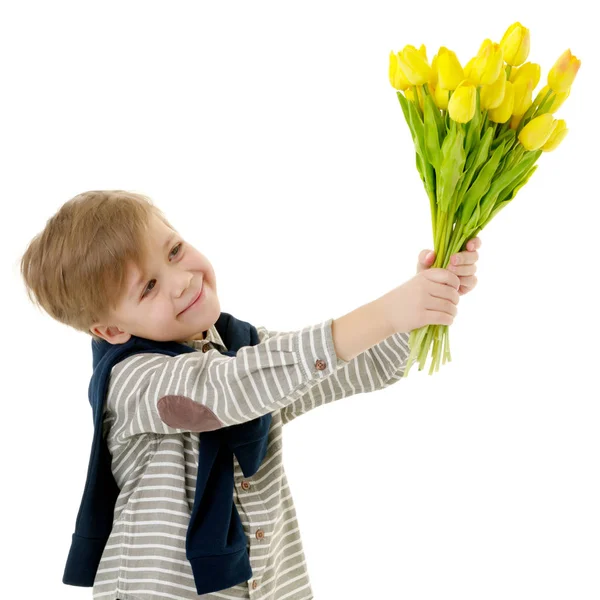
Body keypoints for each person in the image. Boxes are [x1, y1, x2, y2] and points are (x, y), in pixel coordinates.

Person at [19, 189, 481, 600]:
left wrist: (425, 306)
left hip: (271, 583)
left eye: (175, 250)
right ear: (112, 329)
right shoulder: (133, 380)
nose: (181, 280)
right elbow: (223, 392)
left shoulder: (244, 350)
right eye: (150, 286)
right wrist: (386, 312)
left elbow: (362, 365)